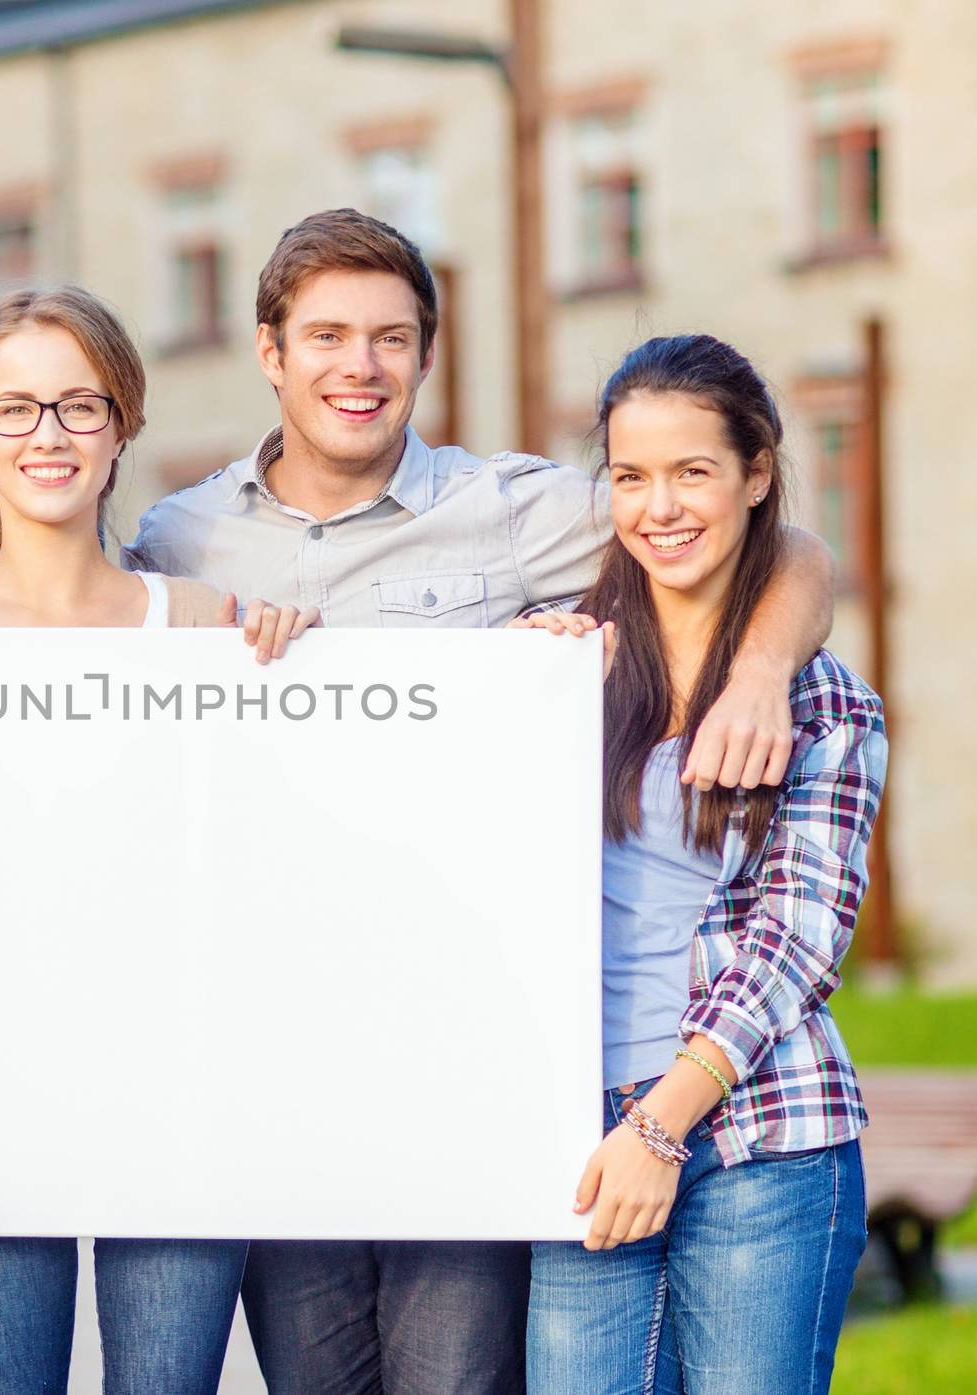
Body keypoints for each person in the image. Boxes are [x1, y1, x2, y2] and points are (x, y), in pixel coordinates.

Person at [122, 210, 842, 1395]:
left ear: (425, 354)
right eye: (328, 337)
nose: (359, 368)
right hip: (277, 1059)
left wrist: (760, 674)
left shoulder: (517, 511)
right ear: (269, 351)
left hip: (467, 1057)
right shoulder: (177, 536)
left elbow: (773, 543)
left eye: (391, 339)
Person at [0, 285, 315, 1395]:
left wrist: (303, 670)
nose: (47, 435)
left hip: (180, 1100)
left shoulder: (207, 626)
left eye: (78, 407)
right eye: (13, 410)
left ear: (120, 427)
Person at [516, 334, 884, 1394]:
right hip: (575, 1135)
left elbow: (799, 936)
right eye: (631, 477)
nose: (659, 508)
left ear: (755, 474)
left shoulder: (818, 699)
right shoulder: (555, 672)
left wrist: (659, 1125)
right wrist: (519, 694)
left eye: (693, 472)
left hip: (761, 1142)